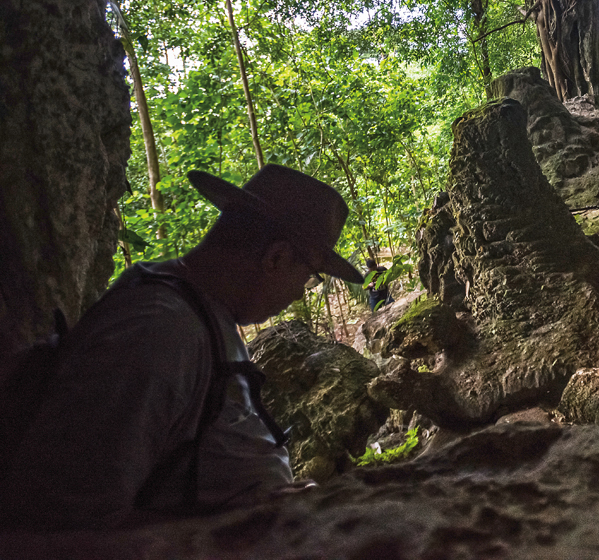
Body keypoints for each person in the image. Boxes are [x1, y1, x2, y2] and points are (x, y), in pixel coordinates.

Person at [0, 164, 363, 530]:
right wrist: (238, 527)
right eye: (308, 275)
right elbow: (61, 520)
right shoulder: (156, 331)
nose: (301, 291)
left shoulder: (203, 313)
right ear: (276, 258)